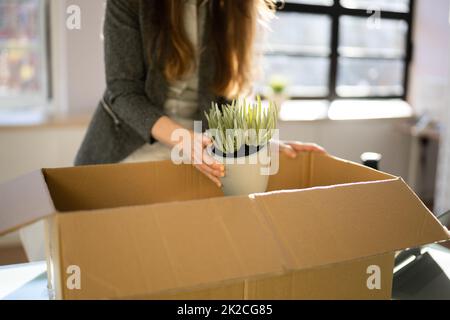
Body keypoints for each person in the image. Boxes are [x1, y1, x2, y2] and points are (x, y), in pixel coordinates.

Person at [74, 0, 326, 187]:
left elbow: (226, 96)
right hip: (127, 151)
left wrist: (257, 145)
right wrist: (186, 140)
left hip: (201, 155)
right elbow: (123, 92)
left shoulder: (235, 8)